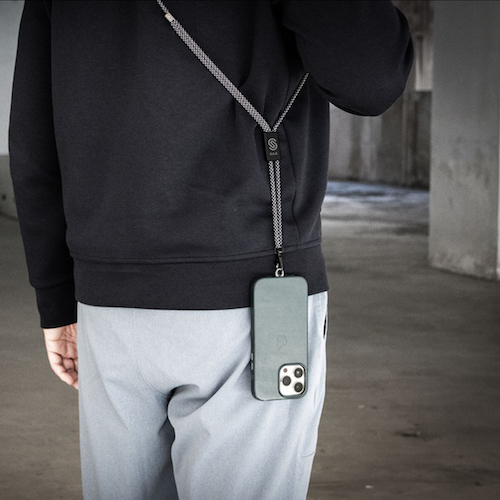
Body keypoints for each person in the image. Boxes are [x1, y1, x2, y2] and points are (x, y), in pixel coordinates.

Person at [9, 1, 413, 499]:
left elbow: (32, 134)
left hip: (107, 307)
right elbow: (371, 77)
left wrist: (56, 298)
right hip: (250, 301)